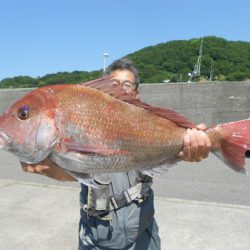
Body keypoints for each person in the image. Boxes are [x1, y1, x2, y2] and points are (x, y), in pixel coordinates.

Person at [22, 58, 211, 249]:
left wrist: (191, 147)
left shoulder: (148, 122)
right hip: (95, 239)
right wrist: (46, 168)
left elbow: (162, 153)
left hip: (141, 237)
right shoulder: (90, 121)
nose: (120, 89)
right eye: (114, 85)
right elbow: (74, 174)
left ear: (136, 91)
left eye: (126, 85)